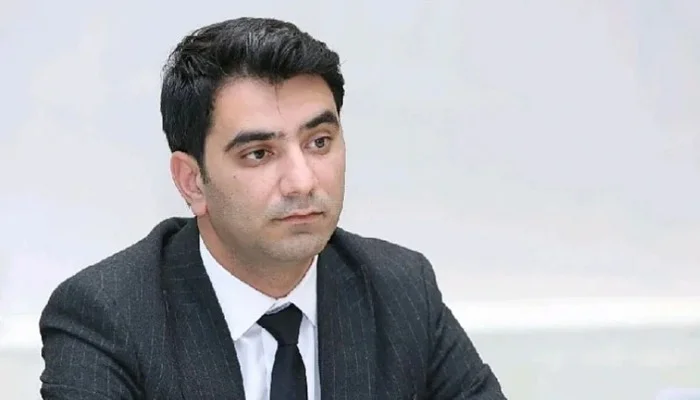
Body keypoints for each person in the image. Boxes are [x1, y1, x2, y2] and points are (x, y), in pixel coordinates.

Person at [39, 17, 507, 400]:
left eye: (319, 142)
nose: (303, 181)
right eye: (259, 153)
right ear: (192, 181)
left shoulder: (400, 289)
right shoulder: (106, 316)